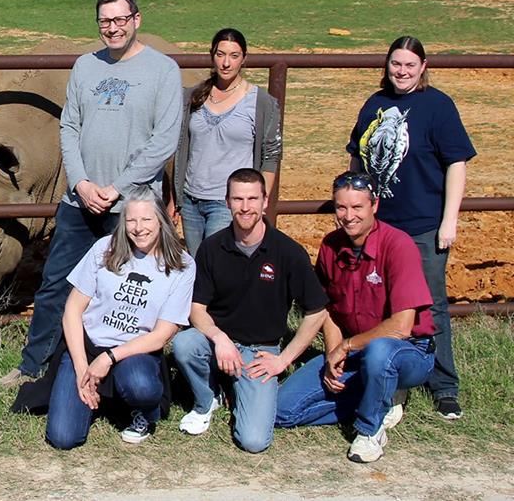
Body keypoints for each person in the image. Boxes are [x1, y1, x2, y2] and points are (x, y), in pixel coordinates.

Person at [0, 0, 182, 388]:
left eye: (120, 19)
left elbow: (165, 139)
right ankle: (33, 367)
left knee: (129, 293)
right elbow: (69, 126)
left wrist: (118, 187)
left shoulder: (162, 70)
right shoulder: (85, 67)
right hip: (80, 201)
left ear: (136, 20)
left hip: (133, 206)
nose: (113, 28)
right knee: (56, 285)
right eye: (105, 21)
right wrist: (80, 182)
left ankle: (122, 371)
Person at [348, 35, 475, 420]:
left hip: (422, 226)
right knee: (382, 304)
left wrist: (448, 220)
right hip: (381, 227)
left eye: (409, 65)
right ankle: (389, 381)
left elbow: (456, 162)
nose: (401, 72)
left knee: (429, 304)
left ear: (422, 67)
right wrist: (357, 209)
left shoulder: (438, 106)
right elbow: (358, 158)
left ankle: (444, 386)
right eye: (395, 64)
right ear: (386, 66)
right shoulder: (375, 104)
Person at [275, 172, 437, 463]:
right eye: (341, 208)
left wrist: (346, 347)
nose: (348, 216)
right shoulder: (330, 246)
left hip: (407, 351)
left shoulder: (398, 246)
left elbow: (401, 327)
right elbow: (328, 309)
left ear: (374, 206)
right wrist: (332, 357)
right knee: (281, 411)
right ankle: (377, 396)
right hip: (355, 350)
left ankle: (369, 429)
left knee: (380, 351)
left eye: (357, 207)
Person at [172, 168, 328, 453]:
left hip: (261, 353)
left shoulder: (287, 252)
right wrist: (220, 339)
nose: (245, 207)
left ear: (265, 201)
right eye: (238, 199)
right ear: (227, 201)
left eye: (252, 199)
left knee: (253, 441)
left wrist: (283, 361)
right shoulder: (212, 248)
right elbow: (197, 309)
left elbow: (317, 311)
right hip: (220, 342)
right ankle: (208, 399)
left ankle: (239, 388)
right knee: (184, 343)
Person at [39, 190, 196, 448]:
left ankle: (142, 410)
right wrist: (82, 369)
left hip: (134, 352)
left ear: (161, 220)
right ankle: (99, 398)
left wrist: (108, 358)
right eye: (131, 220)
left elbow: (160, 335)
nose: (138, 228)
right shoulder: (104, 248)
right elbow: (72, 310)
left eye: (147, 220)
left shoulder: (182, 266)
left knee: (141, 386)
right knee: (63, 437)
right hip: (89, 347)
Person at [172, 28, 282, 256]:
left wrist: (258, 199)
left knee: (218, 262)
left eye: (234, 56)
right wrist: (176, 197)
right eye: (220, 54)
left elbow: (271, 154)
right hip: (192, 199)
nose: (226, 63)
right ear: (212, 55)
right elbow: (182, 147)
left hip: (228, 202)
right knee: (197, 264)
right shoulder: (193, 96)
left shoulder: (260, 102)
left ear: (244, 59)